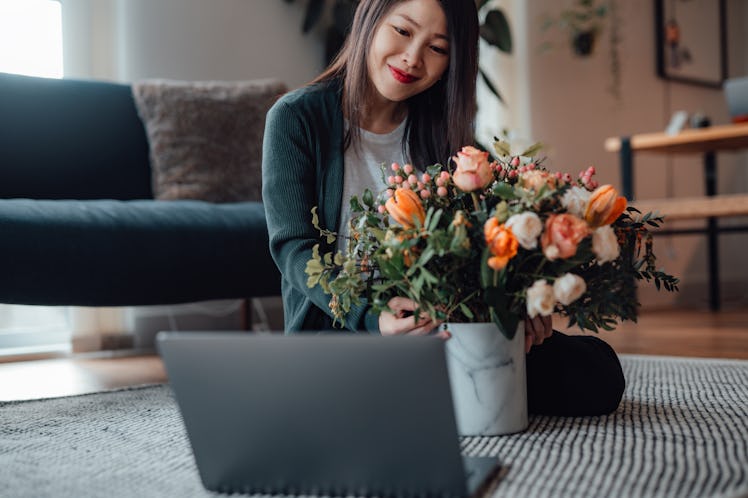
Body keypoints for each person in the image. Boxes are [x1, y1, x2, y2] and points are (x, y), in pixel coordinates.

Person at [262, 0, 624, 416]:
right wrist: (372, 316)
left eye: (437, 48)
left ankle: (440, 393)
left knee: (596, 372)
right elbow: (294, 248)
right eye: (402, 31)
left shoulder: (449, 137)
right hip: (344, 336)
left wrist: (519, 308)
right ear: (369, 19)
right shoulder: (296, 118)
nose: (412, 58)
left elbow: (485, 249)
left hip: (448, 329)